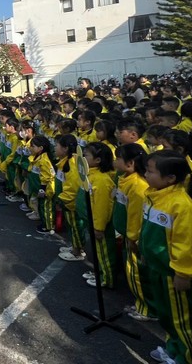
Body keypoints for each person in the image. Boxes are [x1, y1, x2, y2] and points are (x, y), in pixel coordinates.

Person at [141, 151, 192, 364]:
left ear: (170, 178)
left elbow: (188, 244)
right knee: (167, 316)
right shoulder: (154, 195)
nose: (146, 174)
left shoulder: (182, 205)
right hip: (157, 268)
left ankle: (189, 358)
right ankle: (173, 349)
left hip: (173, 274)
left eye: (150, 171)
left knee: (183, 321)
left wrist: (183, 274)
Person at [112, 143, 155, 322]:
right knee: (132, 272)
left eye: (118, 158)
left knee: (137, 274)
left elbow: (136, 216)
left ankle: (147, 308)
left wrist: (132, 238)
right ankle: (140, 303)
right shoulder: (125, 178)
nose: (115, 161)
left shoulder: (138, 186)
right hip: (125, 233)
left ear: (129, 163)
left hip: (133, 239)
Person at [77, 143, 116, 288]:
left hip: (99, 225)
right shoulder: (90, 174)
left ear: (98, 160)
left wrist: (99, 227)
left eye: (86, 155)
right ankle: (99, 272)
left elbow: (102, 207)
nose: (82, 158)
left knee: (104, 253)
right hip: (90, 221)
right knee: (96, 250)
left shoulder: (101, 180)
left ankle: (107, 279)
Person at [55, 134, 84, 262]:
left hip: (71, 203)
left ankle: (78, 251)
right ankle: (74, 246)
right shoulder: (64, 161)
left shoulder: (72, 163)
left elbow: (72, 187)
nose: (55, 148)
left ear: (65, 148)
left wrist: (63, 200)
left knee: (75, 226)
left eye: (57, 146)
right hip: (66, 202)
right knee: (72, 226)